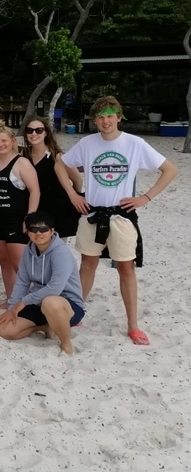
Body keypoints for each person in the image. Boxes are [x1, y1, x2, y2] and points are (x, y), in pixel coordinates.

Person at [62, 96, 178, 346]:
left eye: (110, 115)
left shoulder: (134, 144)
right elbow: (61, 165)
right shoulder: (87, 143)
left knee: (126, 268)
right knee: (87, 264)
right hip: (92, 213)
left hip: (121, 216)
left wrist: (145, 197)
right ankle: (78, 312)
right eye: (100, 117)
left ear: (119, 117)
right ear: (94, 120)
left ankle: (133, 325)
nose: (105, 121)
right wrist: (73, 194)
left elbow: (170, 169)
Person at [0, 212, 86, 355]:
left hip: (66, 304)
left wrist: (24, 302)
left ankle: (66, 343)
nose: (39, 233)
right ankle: (46, 326)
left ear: (52, 231)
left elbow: (55, 289)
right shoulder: (28, 250)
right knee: (6, 330)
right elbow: (22, 282)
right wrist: (12, 309)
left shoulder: (61, 253)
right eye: (34, 229)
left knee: (50, 302)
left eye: (43, 229)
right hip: (38, 302)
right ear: (28, 231)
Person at [0, 127, 40, 303]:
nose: (0, 144)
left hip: (16, 220)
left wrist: (30, 217)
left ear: (12, 142)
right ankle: (12, 299)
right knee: (4, 262)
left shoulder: (21, 163)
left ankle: (32, 301)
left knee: (20, 265)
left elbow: (35, 191)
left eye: (4, 141)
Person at [21, 117, 87, 238]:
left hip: (57, 210)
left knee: (57, 250)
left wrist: (73, 197)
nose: (34, 133)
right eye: (29, 130)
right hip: (34, 207)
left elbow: (77, 179)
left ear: (46, 132)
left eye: (39, 130)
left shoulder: (57, 156)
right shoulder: (23, 155)